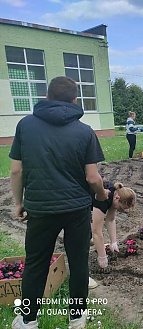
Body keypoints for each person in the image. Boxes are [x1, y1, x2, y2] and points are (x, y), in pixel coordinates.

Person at [9, 76, 108, 329]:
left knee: (36, 263)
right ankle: (76, 318)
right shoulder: (85, 131)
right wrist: (100, 195)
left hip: (40, 208)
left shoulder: (25, 125)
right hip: (76, 209)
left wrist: (18, 203)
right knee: (78, 262)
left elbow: (17, 171)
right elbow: (92, 177)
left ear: (47, 96)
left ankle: (28, 320)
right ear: (74, 100)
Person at [92, 182, 136, 269]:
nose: (119, 210)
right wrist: (102, 257)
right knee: (89, 232)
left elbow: (110, 220)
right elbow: (96, 232)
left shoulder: (115, 193)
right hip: (75, 200)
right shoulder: (103, 200)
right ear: (117, 198)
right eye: (120, 208)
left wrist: (113, 242)